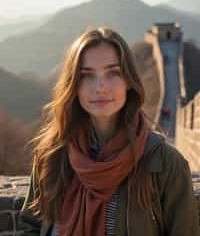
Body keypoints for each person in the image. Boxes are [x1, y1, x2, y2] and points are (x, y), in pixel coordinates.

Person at [18, 27, 199, 236]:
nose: (100, 87)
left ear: (128, 81)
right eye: (87, 75)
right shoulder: (51, 157)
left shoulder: (165, 164)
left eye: (113, 73)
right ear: (73, 85)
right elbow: (31, 227)